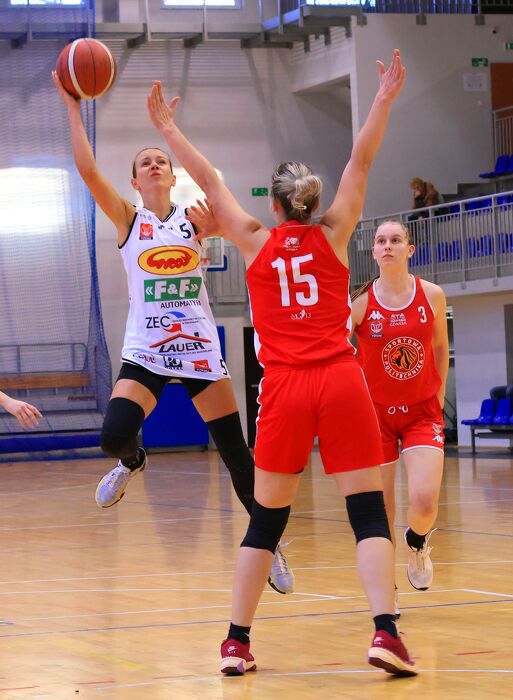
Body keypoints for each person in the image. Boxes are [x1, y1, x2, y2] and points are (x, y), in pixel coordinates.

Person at [147, 50, 418, 677]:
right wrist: (382, 98)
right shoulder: (336, 231)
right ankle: (386, 632)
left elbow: (206, 177)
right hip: (342, 380)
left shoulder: (252, 239)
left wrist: (168, 129)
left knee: (266, 521)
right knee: (368, 514)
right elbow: (361, 160)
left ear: (274, 205)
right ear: (310, 201)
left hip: (286, 387)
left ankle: (236, 643)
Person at [51, 71, 294, 596]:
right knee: (114, 436)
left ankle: (270, 543)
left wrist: (216, 227)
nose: (155, 164)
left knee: (238, 456)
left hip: (199, 347)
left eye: (161, 160)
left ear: (172, 175)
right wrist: (73, 105)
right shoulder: (128, 220)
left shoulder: (197, 219)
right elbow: (87, 169)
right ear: (135, 182)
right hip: (147, 349)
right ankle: (132, 462)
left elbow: (235, 217)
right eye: (145, 162)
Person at [351, 220, 449, 614]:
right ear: (374, 252)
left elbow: (440, 347)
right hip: (373, 416)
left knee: (424, 502)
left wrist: (437, 395)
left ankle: (418, 541)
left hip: (421, 413)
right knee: (383, 511)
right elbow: (339, 355)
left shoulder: (432, 295)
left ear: (410, 250)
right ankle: (387, 593)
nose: (387, 246)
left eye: (395, 240)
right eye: (381, 241)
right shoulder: (360, 304)